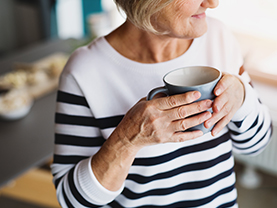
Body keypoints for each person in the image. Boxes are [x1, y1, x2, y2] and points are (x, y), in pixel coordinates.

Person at [51, 0, 272, 207]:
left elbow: (256, 144)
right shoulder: (84, 72)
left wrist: (242, 98)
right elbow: (72, 201)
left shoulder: (218, 37)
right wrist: (127, 140)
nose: (212, 3)